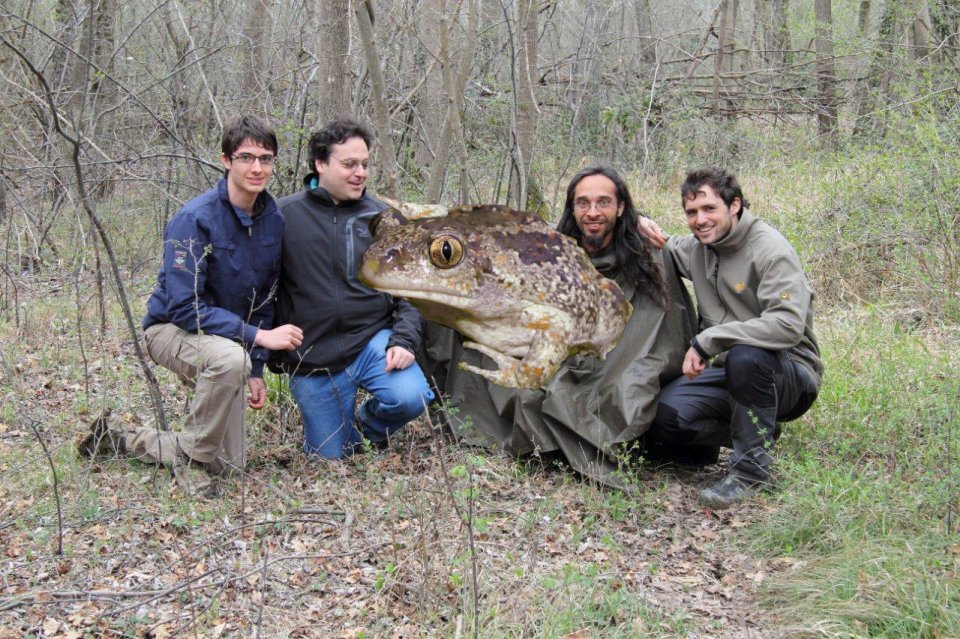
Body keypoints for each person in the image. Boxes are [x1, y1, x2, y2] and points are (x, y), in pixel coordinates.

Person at [423, 164, 694, 487]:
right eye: (583, 203)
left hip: (615, 357)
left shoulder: (648, 254)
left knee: (624, 390)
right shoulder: (553, 245)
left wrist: (641, 219)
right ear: (572, 208)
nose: (592, 212)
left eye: (603, 202)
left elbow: (664, 331)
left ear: (621, 207)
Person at [78, 115, 304, 495]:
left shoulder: (272, 219)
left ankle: (119, 439)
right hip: (170, 330)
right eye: (246, 157)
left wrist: (257, 368)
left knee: (230, 464)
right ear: (226, 160)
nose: (257, 167)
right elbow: (184, 308)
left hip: (230, 342)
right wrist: (259, 339)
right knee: (230, 361)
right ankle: (194, 463)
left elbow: (264, 297)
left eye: (266, 159)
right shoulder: (194, 219)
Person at [641, 167, 822, 508]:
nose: (700, 220)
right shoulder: (697, 249)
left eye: (710, 209)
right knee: (663, 417)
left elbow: (786, 326)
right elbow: (660, 241)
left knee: (746, 355)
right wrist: (637, 218)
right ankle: (756, 432)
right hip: (729, 373)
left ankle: (750, 474)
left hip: (788, 374)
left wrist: (708, 339)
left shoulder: (770, 250)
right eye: (691, 212)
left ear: (734, 205)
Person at [272, 116, 434, 459]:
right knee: (330, 458)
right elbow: (260, 289)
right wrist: (268, 353)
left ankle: (365, 426)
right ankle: (340, 434)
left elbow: (412, 291)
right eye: (349, 164)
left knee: (411, 396)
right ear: (320, 163)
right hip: (312, 353)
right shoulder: (283, 216)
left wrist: (404, 339)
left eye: (364, 164)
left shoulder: (383, 218)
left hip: (370, 340)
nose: (360, 172)